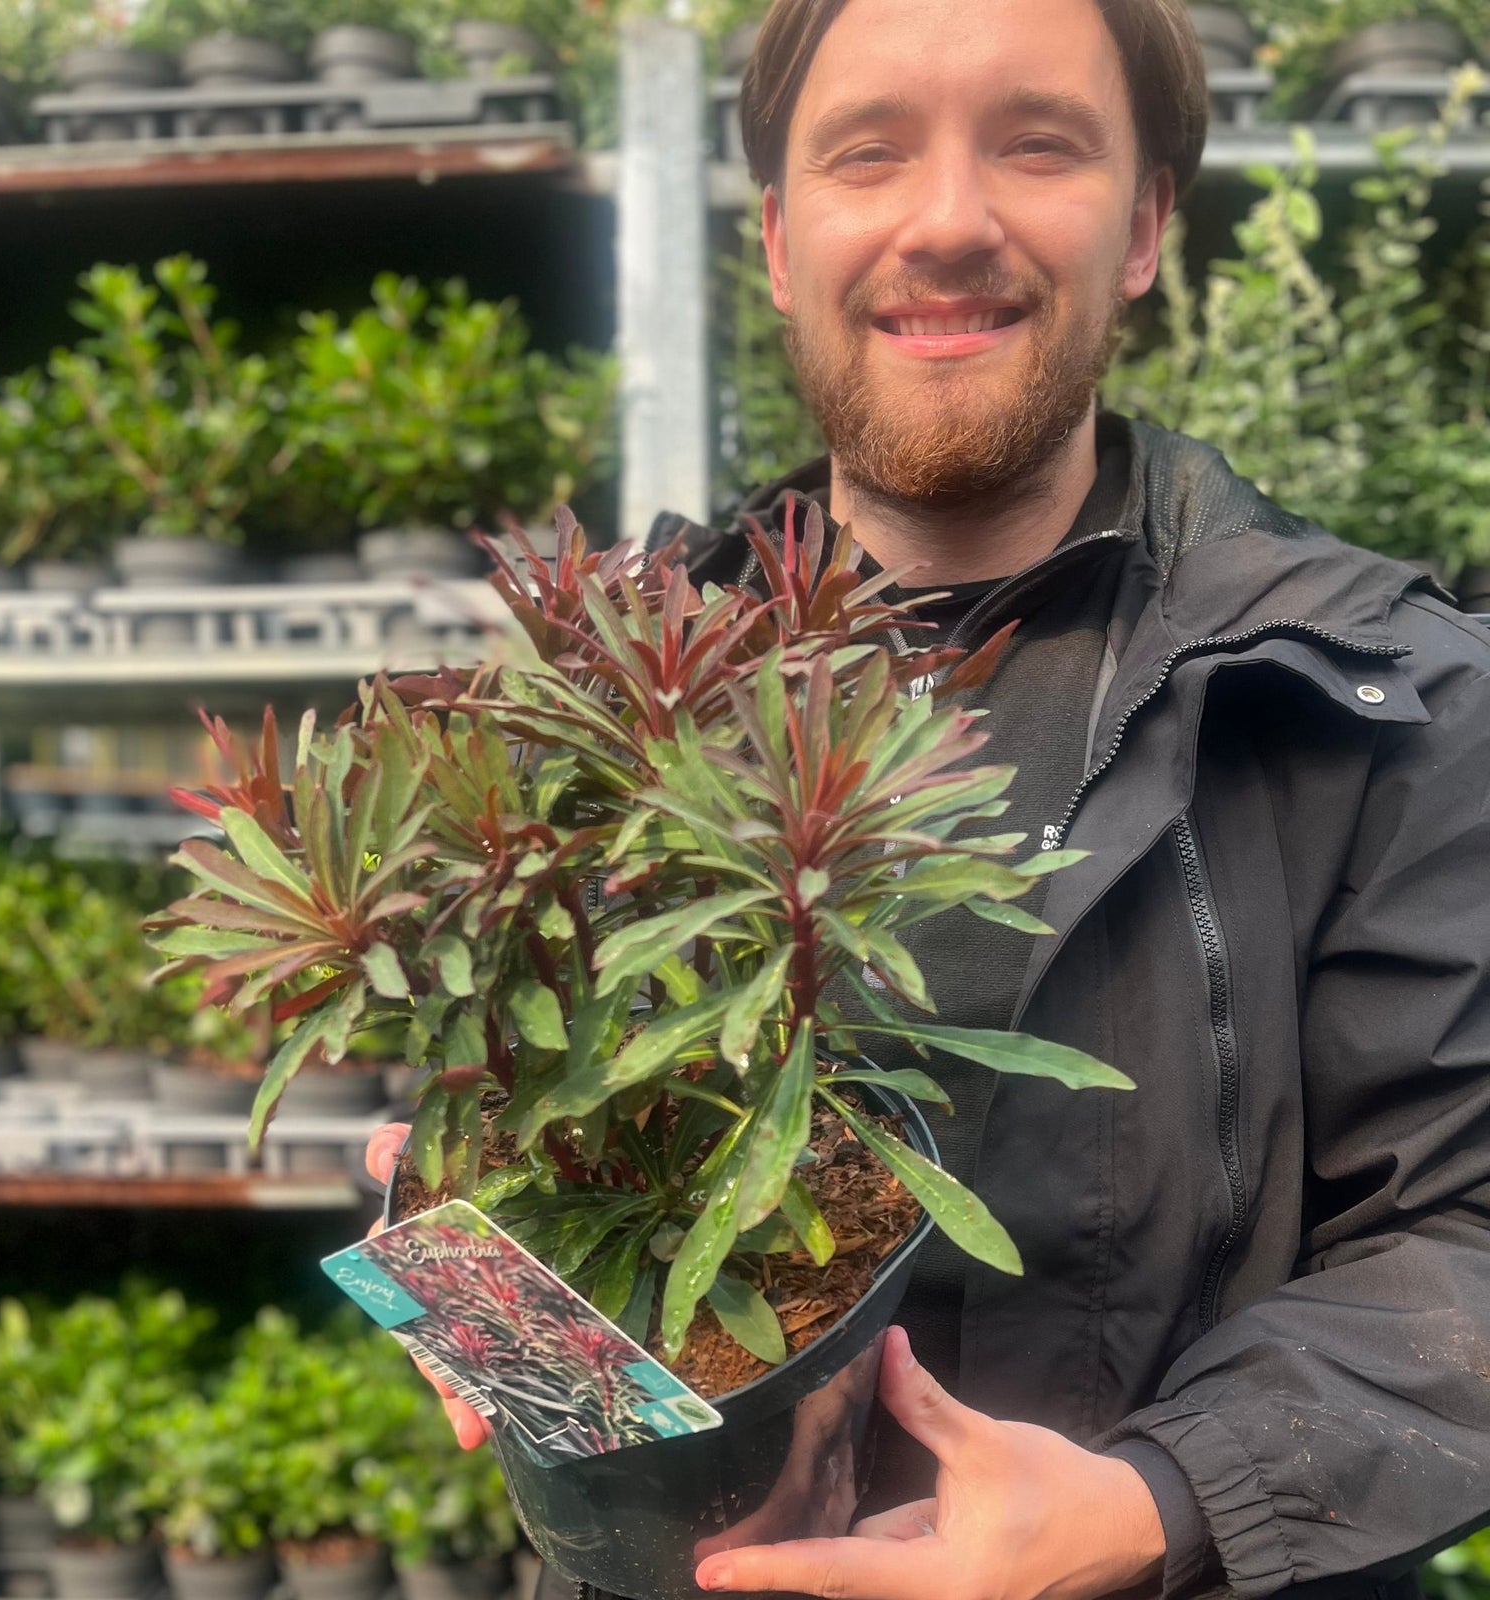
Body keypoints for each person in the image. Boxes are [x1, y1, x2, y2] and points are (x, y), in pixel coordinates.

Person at [365, 0, 1490, 1596]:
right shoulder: (608, 694)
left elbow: (1472, 1237)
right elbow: (513, 1068)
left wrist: (1155, 1503)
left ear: (1147, 224)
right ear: (774, 240)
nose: (948, 220)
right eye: (868, 152)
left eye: (1037, 143)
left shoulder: (1378, 691)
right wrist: (482, 1258)